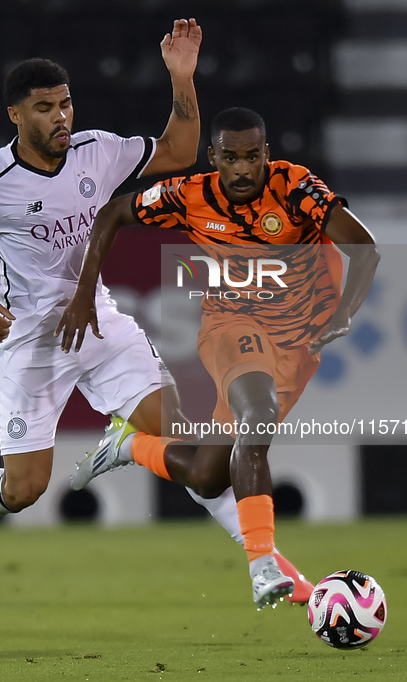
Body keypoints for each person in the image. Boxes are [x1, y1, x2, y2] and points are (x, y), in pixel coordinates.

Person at [56, 107, 380, 610]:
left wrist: (344, 314)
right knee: (258, 418)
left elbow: (364, 247)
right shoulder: (190, 195)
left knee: (209, 475)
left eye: (253, 156)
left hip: (296, 344)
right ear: (215, 158)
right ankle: (262, 565)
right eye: (231, 157)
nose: (244, 169)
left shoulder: (295, 188)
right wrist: (83, 292)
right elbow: (114, 212)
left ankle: (131, 445)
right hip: (232, 325)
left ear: (266, 155)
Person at [0, 18, 204, 585]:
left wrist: (182, 77)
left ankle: (264, 561)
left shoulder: (96, 151)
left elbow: (180, 150)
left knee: (177, 430)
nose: (61, 117)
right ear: (16, 116)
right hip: (29, 339)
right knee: (24, 490)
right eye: (46, 107)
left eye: (66, 104)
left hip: (94, 318)